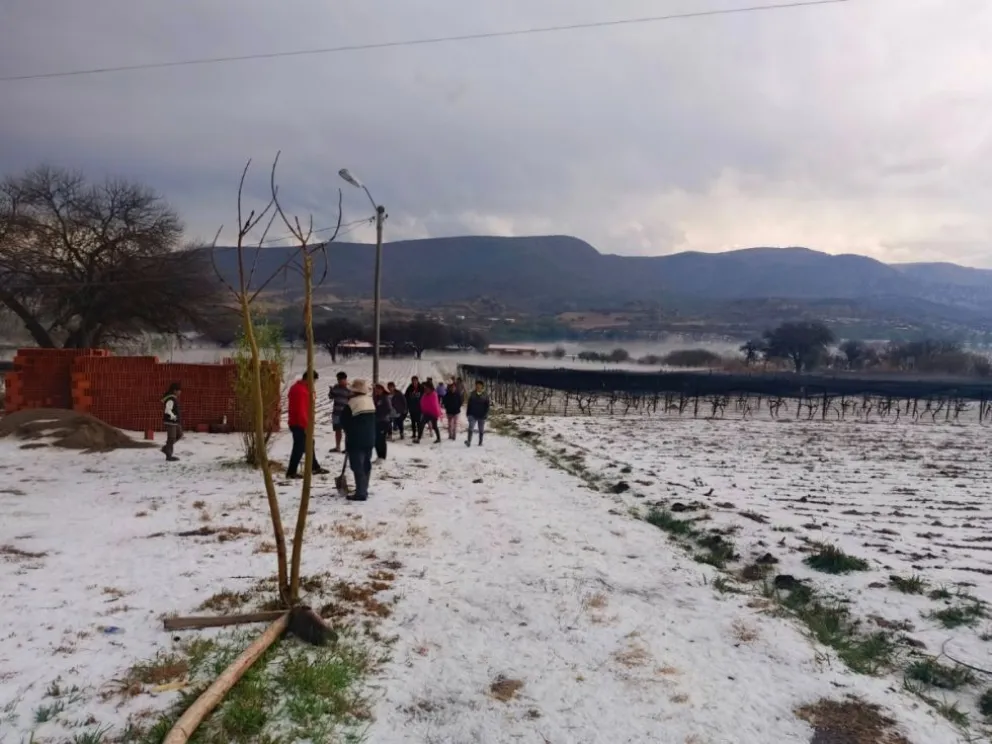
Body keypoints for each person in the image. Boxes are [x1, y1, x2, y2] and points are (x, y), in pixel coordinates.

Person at [339, 378, 376, 501]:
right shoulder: (370, 401)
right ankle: (364, 488)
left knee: (357, 466)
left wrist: (348, 432)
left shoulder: (352, 403)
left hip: (356, 440)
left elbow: (343, 421)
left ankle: (360, 493)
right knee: (366, 464)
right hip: (370, 438)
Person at [286, 371, 326, 479]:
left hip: (296, 421)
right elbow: (301, 410)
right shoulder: (301, 391)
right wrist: (306, 426)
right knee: (299, 447)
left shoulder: (297, 388)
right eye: (314, 381)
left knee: (309, 443)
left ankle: (314, 466)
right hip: (299, 423)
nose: (314, 384)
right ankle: (291, 472)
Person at [329, 371, 351, 452]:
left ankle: (348, 448)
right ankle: (337, 447)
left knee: (347, 431)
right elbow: (331, 397)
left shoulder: (349, 389)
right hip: (336, 413)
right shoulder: (336, 387)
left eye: (341, 379)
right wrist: (331, 391)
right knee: (337, 430)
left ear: (345, 379)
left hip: (345, 413)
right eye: (338, 379)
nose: (339, 381)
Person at [161, 382, 183, 461]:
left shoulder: (173, 398)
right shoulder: (170, 399)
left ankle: (166, 448)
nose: (180, 392)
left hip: (175, 422)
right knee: (171, 438)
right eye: (179, 390)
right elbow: (167, 410)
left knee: (179, 434)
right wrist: (173, 416)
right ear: (174, 391)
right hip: (170, 422)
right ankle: (169, 455)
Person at [465, 379, 490, 447]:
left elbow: (487, 406)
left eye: (479, 385)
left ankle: (480, 441)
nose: (478, 386)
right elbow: (469, 404)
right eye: (477, 385)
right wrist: (468, 413)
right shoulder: (472, 394)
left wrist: (486, 414)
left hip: (482, 415)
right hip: (472, 414)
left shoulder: (485, 395)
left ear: (482, 386)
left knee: (481, 429)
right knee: (471, 428)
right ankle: (469, 441)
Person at [373, 382, 394, 461]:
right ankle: (379, 456)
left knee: (381, 440)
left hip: (383, 422)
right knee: (376, 439)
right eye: (376, 388)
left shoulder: (385, 398)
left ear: (382, 389)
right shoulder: (376, 398)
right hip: (376, 421)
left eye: (379, 389)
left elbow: (389, 409)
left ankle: (382, 457)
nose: (377, 390)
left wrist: (381, 415)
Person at [405, 376, 423, 443]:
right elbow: (406, 396)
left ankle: (419, 435)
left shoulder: (421, 388)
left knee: (419, 422)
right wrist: (407, 405)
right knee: (413, 422)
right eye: (413, 381)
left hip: (419, 408)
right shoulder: (409, 388)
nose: (414, 382)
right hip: (412, 407)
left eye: (415, 381)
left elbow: (424, 396)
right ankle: (414, 434)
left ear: (417, 381)